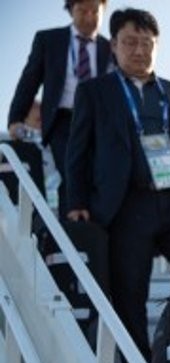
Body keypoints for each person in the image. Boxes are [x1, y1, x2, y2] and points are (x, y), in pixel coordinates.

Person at [64, 8, 170, 363]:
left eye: (147, 43)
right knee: (129, 292)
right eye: (130, 42)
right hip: (127, 206)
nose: (140, 50)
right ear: (113, 46)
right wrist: (76, 201)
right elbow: (78, 152)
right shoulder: (95, 92)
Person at [7, 0, 111, 219]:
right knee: (71, 170)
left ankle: (92, 227)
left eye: (95, 11)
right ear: (71, 10)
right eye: (82, 10)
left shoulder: (110, 48)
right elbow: (29, 80)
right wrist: (16, 118)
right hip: (63, 120)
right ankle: (71, 226)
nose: (89, 16)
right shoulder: (49, 40)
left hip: (100, 123)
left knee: (100, 174)